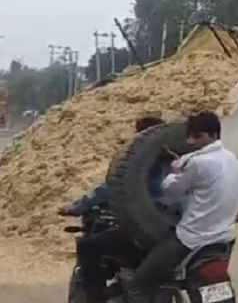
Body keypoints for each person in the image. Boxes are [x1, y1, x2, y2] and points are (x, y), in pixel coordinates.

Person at [126, 111, 238, 303]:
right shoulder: (234, 160)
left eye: (198, 136)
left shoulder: (198, 163)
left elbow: (170, 192)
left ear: (214, 135)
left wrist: (174, 171)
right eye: (190, 136)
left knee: (139, 284)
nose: (191, 141)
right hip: (225, 238)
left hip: (191, 239)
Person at [60, 116, 165, 302]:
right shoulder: (179, 160)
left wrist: (75, 208)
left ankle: (94, 297)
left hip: (143, 237)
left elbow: (110, 189)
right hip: (175, 233)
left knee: (87, 246)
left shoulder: (140, 163)